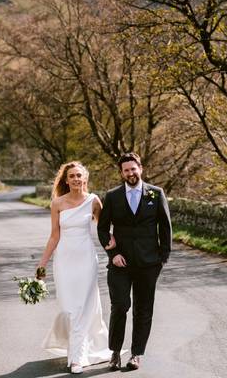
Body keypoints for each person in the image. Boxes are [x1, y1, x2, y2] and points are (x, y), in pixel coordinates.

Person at [97, 152, 172, 371]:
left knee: (143, 309)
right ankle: (114, 353)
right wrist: (113, 254)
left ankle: (136, 354)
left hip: (149, 264)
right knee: (119, 306)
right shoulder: (112, 196)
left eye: (133, 168)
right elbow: (103, 229)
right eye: (126, 170)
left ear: (141, 168)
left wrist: (162, 258)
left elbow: (165, 227)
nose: (131, 173)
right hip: (120, 263)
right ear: (121, 173)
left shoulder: (156, 194)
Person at [37, 161, 114, 374]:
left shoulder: (93, 201)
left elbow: (104, 230)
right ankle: (76, 347)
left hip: (86, 260)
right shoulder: (57, 203)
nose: (76, 179)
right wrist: (42, 264)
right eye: (72, 176)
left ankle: (76, 358)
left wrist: (115, 249)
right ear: (66, 179)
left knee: (82, 309)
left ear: (85, 178)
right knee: (68, 309)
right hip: (63, 261)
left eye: (79, 175)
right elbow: (54, 236)